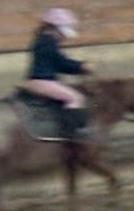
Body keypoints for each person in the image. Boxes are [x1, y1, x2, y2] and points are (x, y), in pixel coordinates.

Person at [21, 7, 89, 137]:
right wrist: (81, 67)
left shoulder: (41, 40)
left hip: (37, 81)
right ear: (55, 28)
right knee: (75, 98)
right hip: (43, 82)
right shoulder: (49, 42)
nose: (65, 37)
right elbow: (61, 62)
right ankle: (72, 134)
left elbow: (56, 63)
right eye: (63, 32)